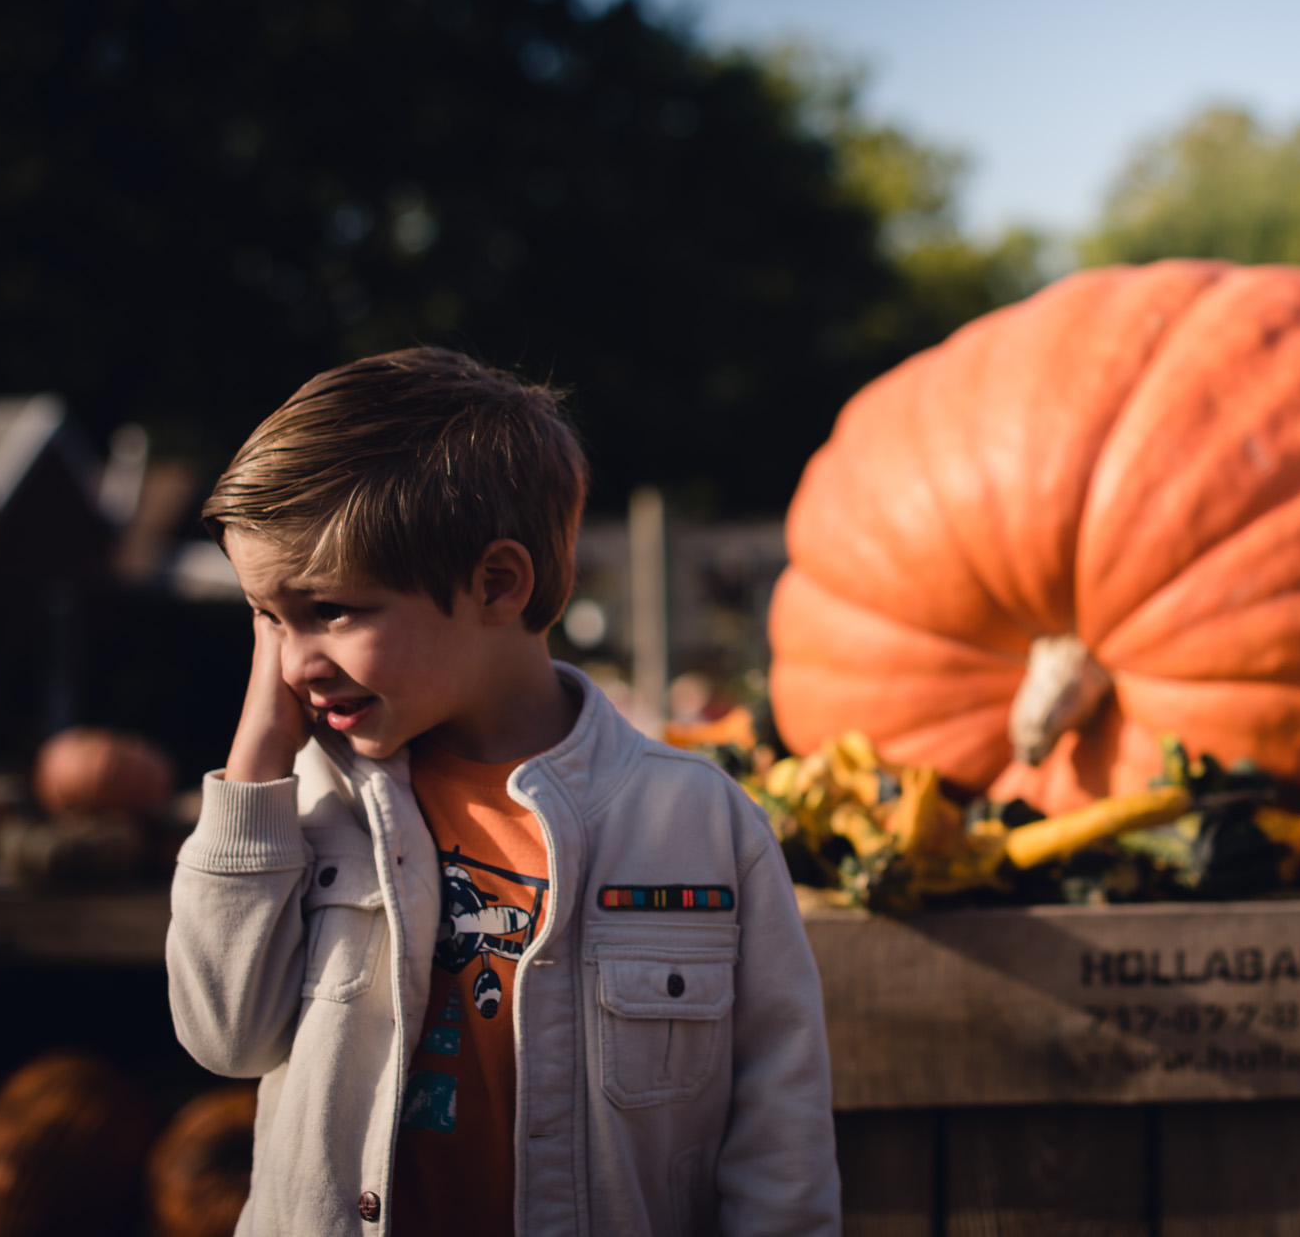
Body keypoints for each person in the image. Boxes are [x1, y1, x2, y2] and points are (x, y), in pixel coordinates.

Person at [166, 347, 839, 1235]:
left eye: (330, 610)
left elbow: (779, 1142)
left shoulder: (699, 824)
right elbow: (225, 1036)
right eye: (267, 615)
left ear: (497, 583)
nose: (295, 661)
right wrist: (258, 757)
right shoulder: (301, 807)